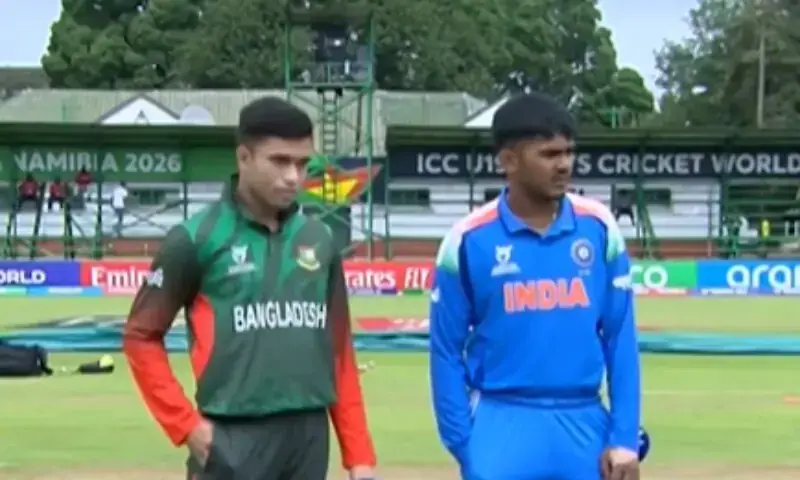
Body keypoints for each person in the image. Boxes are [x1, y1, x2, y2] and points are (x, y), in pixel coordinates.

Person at [122, 96, 377, 480]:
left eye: (302, 163)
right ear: (244, 158)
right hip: (231, 438)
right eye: (279, 161)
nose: (294, 176)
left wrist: (359, 455)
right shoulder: (196, 238)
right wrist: (186, 426)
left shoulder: (319, 238)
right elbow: (141, 335)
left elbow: (338, 349)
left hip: (308, 438)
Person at [429, 93, 641, 480]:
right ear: (508, 160)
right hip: (500, 421)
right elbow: (445, 350)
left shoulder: (599, 227)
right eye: (548, 154)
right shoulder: (467, 240)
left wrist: (625, 437)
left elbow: (620, 336)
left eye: (568, 152)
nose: (564, 165)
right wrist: (464, 441)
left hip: (583, 421)